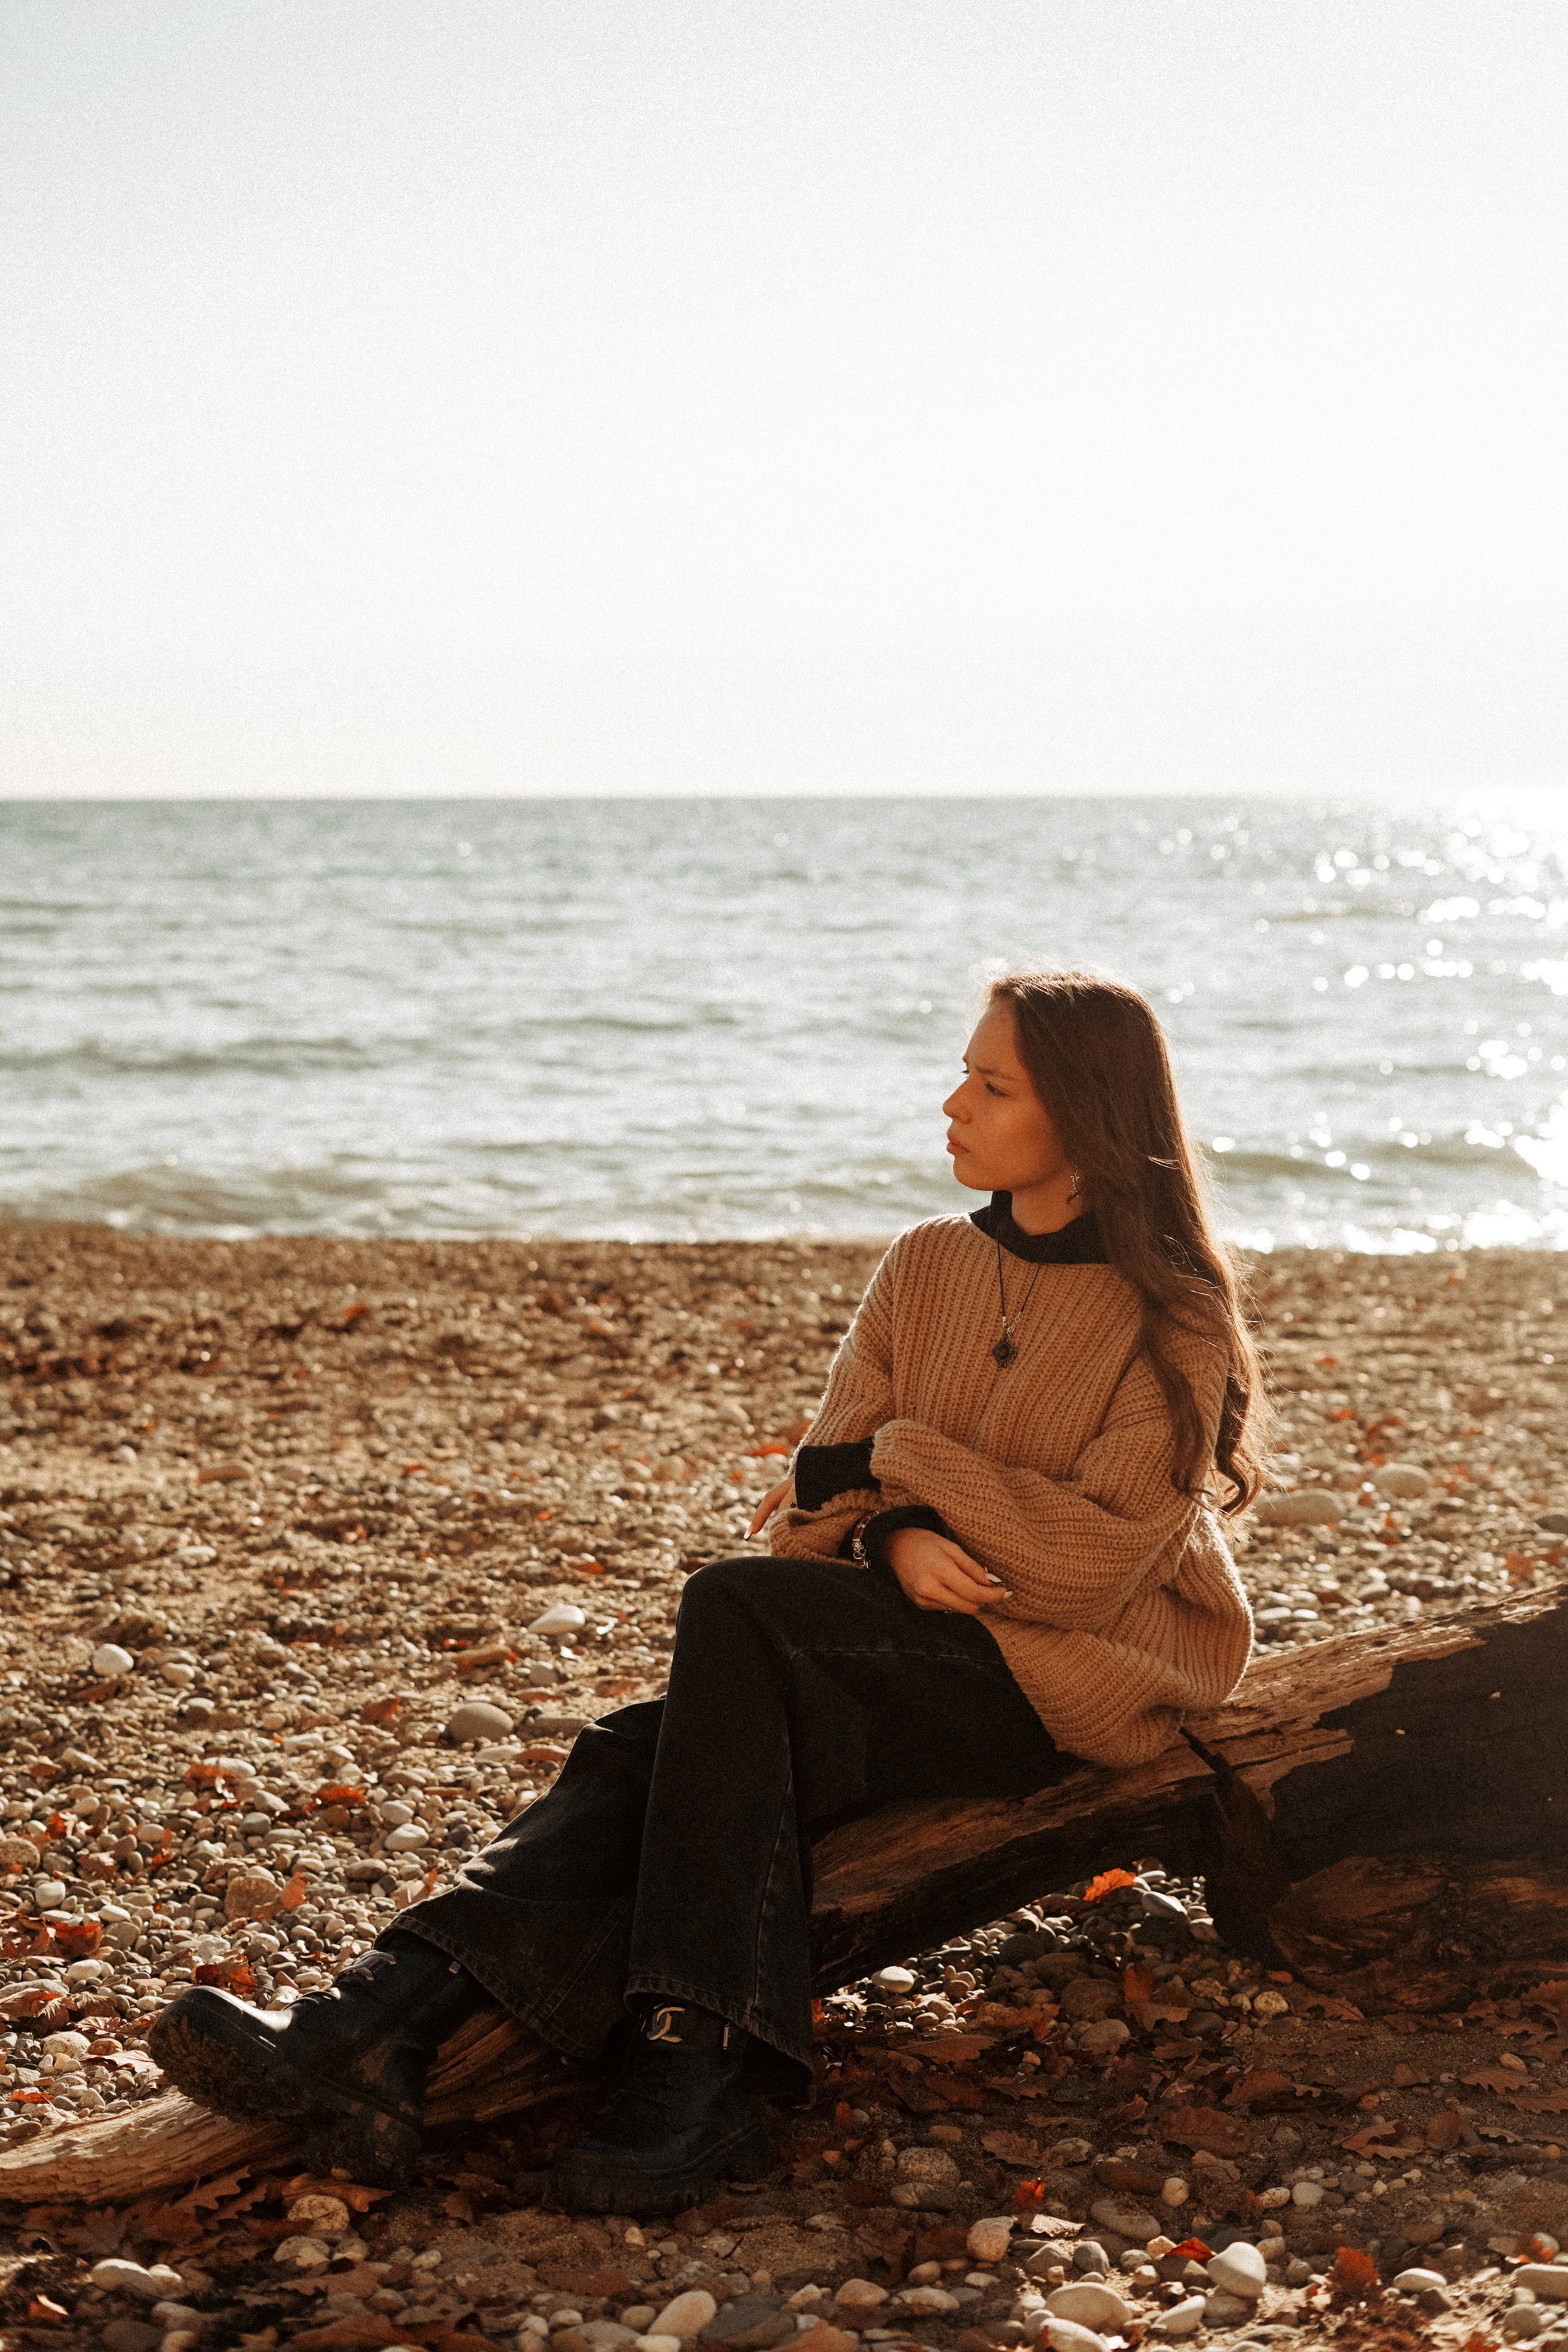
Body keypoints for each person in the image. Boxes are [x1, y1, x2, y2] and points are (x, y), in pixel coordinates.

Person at [149, 967, 1262, 2215]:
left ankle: (635, 2056)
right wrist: (895, 1535)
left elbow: (1084, 1568)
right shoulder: (924, 1266)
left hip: (1068, 1687)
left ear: (1085, 1112)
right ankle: (413, 2034)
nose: (952, 1103)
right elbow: (809, 1519)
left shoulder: (1175, 1316)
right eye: (963, 1073)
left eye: (991, 1085)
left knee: (724, 1622)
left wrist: (897, 1462)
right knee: (652, 1750)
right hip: (896, 1645)